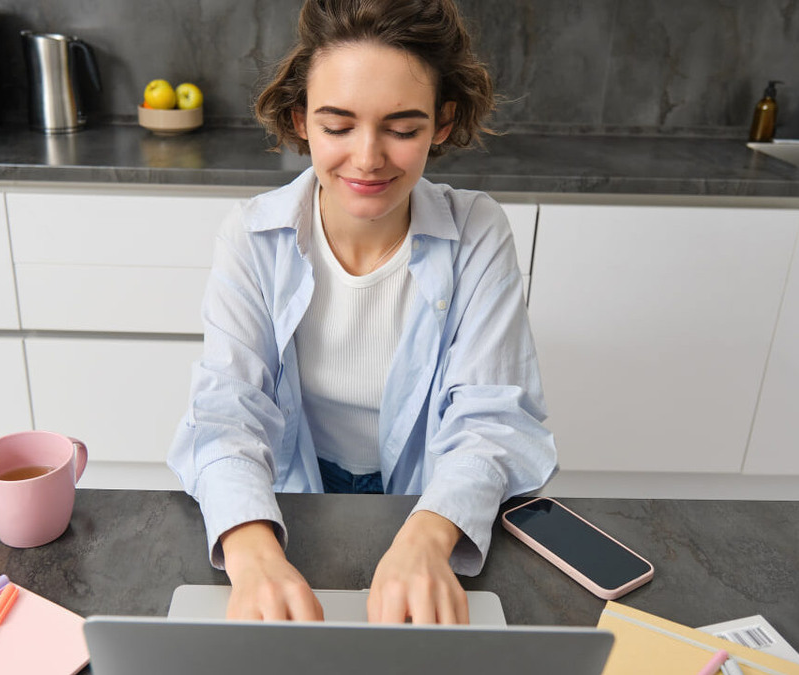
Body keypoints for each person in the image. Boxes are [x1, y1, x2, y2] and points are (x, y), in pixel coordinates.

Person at [167, 0, 556, 625]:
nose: (368, 157)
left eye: (402, 129)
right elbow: (226, 414)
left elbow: (492, 418)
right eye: (338, 126)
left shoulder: (478, 232)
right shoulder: (252, 236)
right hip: (290, 503)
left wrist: (428, 537)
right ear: (301, 120)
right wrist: (252, 552)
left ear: (442, 123)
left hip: (432, 502)